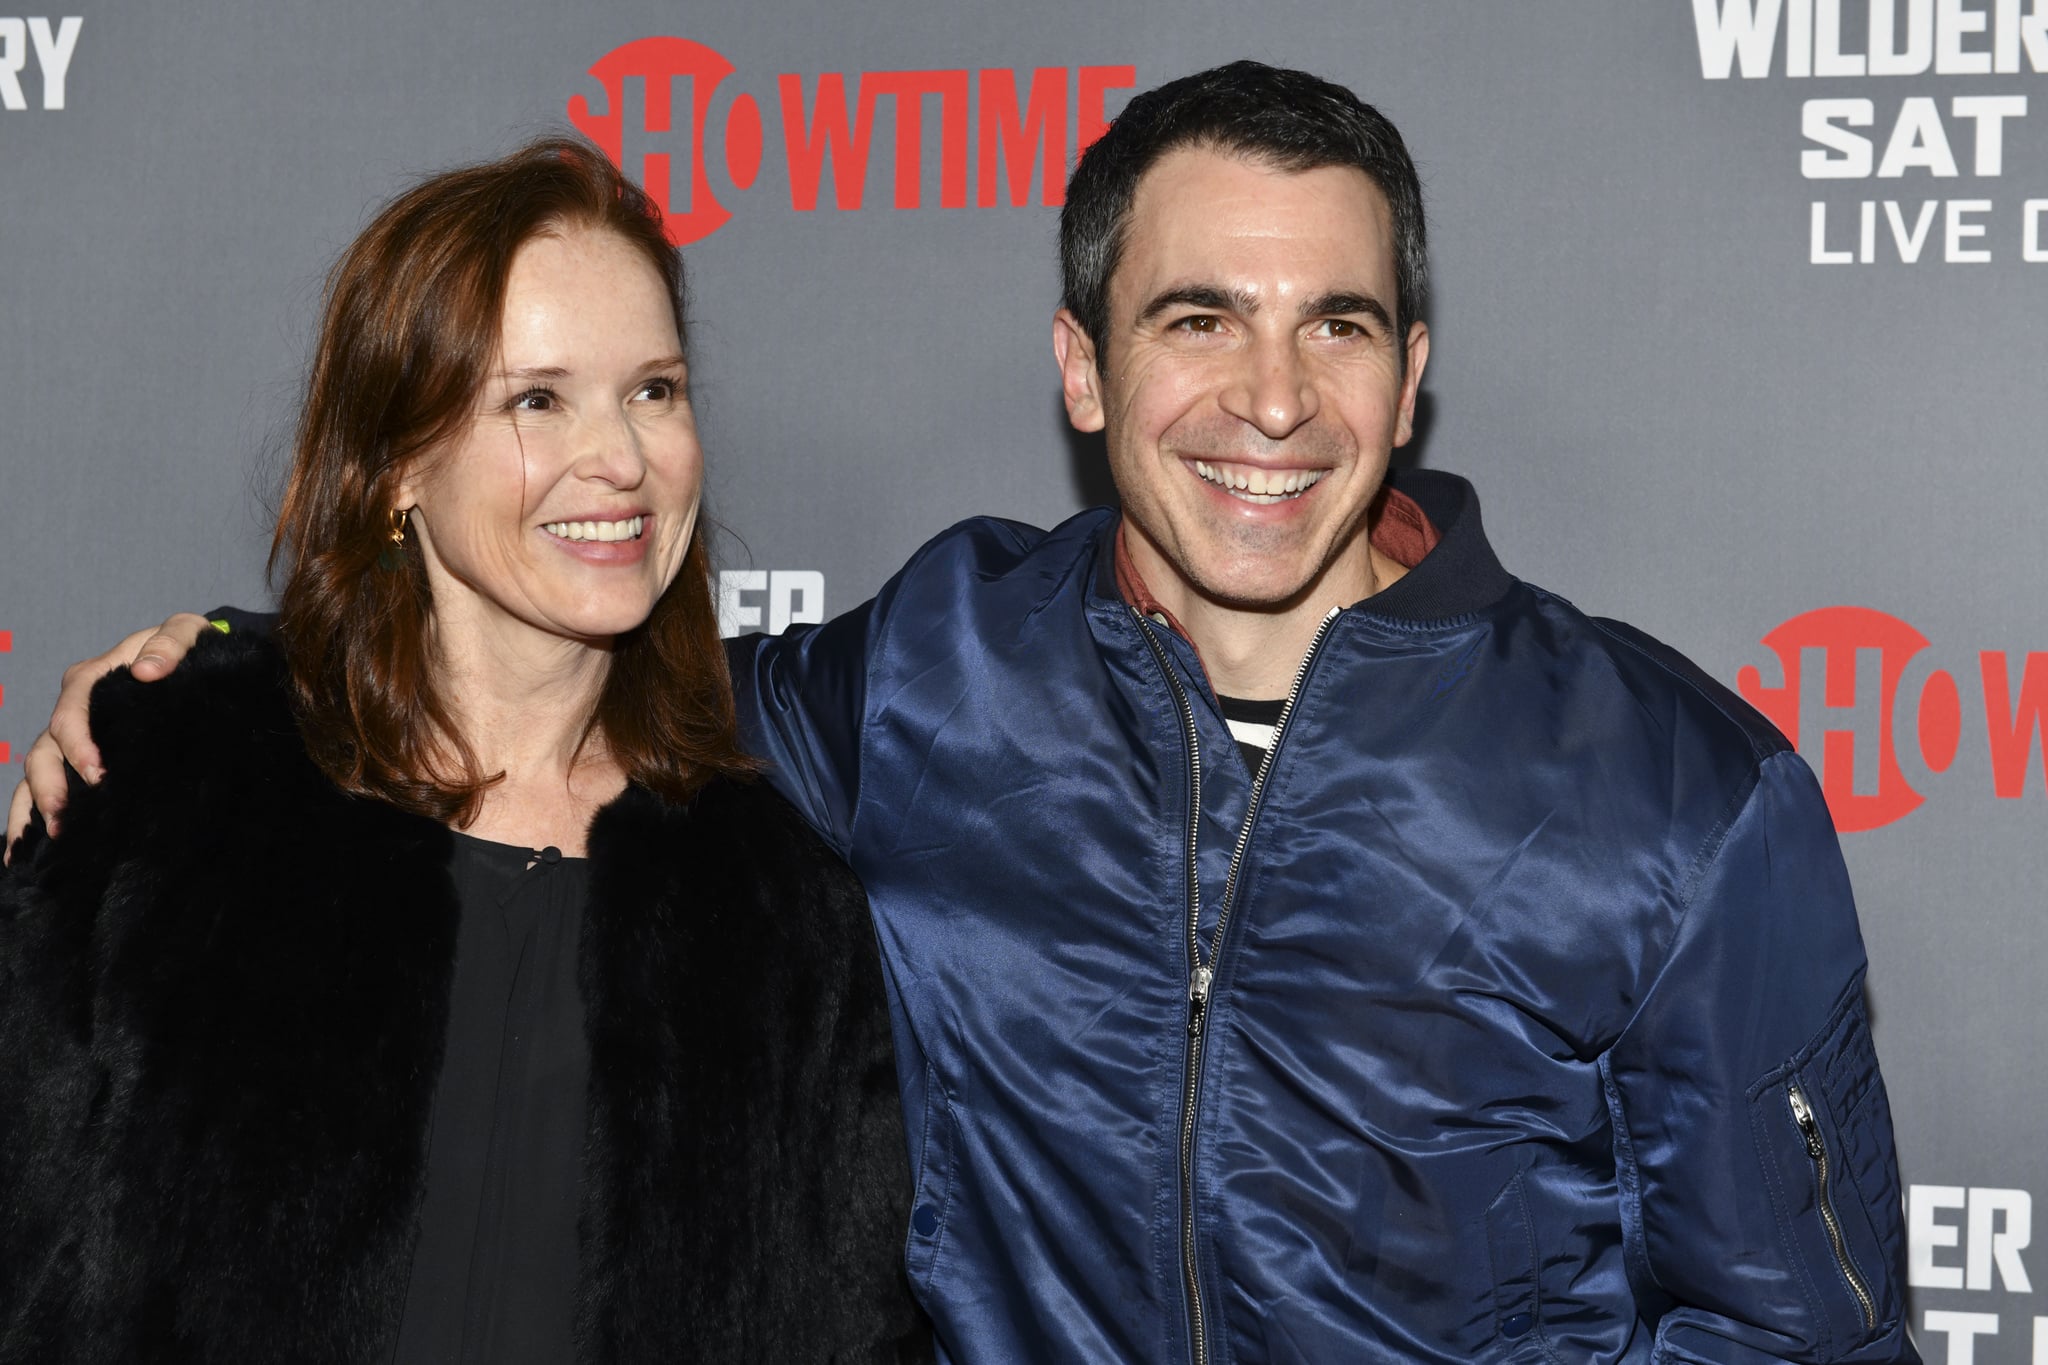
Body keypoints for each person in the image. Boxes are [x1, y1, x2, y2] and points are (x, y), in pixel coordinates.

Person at [11, 63, 1916, 1364]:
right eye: (1194, 319)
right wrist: (232, 666)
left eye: (1331, 324)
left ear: (1409, 375)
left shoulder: (1676, 796)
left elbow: (1798, 1334)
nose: (1269, 400)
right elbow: (552, 678)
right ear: (1081, 370)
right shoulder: (933, 676)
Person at [0, 140, 928, 1364]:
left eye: (654, 389)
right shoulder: (179, 782)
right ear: (395, 466)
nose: (622, 459)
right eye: (537, 399)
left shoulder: (774, 903)